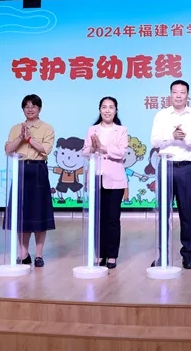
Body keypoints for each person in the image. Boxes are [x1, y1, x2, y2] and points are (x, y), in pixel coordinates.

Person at [149, 79, 191, 269]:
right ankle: (162, 254)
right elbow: (154, 141)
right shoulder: (162, 115)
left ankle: (187, 254)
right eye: (175, 92)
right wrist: (171, 136)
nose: (179, 96)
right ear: (170, 94)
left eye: (182, 92)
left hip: (186, 167)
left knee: (186, 213)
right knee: (163, 213)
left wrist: (185, 136)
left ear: (187, 95)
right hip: (165, 166)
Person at [3, 94, 56, 267]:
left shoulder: (47, 128)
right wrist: (20, 137)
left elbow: (45, 150)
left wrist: (29, 139)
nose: (30, 109)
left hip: (38, 169)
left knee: (39, 213)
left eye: (33, 106)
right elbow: (8, 149)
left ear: (40, 109)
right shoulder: (15, 128)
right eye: (26, 106)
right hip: (20, 169)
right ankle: (23, 253)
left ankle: (39, 255)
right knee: (21, 214)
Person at [82, 96, 128, 269]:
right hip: (96, 178)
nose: (107, 110)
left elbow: (122, 152)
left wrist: (103, 148)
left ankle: (112, 255)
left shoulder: (121, 130)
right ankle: (100, 254)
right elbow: (85, 151)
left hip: (115, 180)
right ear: (99, 109)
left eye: (111, 107)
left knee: (113, 219)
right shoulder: (92, 129)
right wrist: (93, 148)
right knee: (98, 219)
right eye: (104, 107)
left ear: (116, 110)